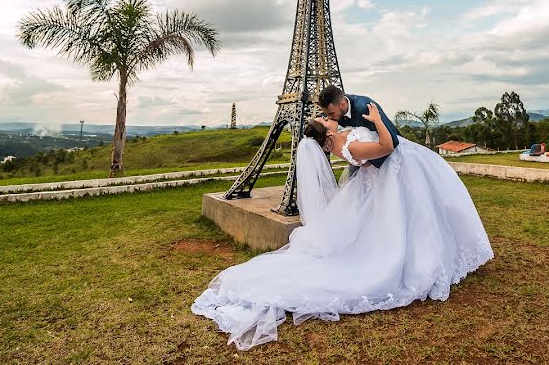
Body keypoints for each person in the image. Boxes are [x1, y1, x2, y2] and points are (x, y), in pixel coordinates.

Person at [191, 93, 493, 351]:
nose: (326, 117)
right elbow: (388, 147)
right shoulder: (348, 145)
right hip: (394, 167)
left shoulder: (343, 133)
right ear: (327, 135)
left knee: (412, 219)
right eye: (325, 119)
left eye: (326, 114)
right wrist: (375, 121)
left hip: (391, 173)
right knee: (410, 224)